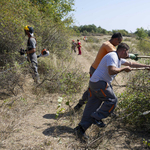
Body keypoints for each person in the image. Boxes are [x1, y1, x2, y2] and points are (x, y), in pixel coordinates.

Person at [74, 43, 150, 140]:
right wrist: (123, 69)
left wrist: (147, 66)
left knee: (91, 107)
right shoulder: (112, 56)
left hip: (95, 83)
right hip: (99, 83)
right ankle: (97, 117)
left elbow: (131, 64)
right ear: (123, 51)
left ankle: (80, 129)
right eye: (127, 52)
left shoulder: (117, 57)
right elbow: (111, 71)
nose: (128, 54)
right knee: (112, 100)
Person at [74, 33, 123, 111]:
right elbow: (118, 54)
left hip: (100, 71)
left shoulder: (111, 46)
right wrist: (129, 55)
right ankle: (81, 105)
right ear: (115, 39)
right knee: (92, 90)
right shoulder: (107, 45)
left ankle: (104, 109)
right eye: (119, 42)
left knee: (97, 90)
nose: (118, 44)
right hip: (96, 70)